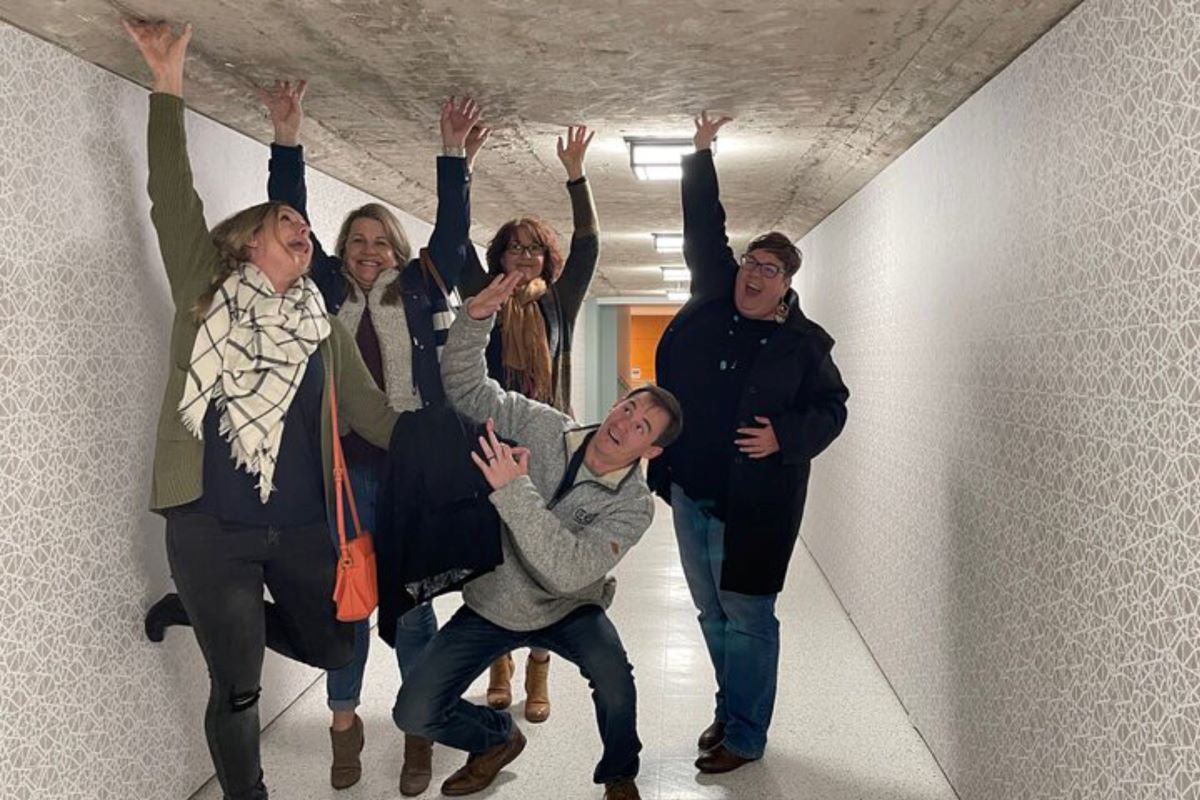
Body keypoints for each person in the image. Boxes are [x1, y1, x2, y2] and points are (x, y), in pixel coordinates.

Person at [124, 20, 400, 800]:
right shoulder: (203, 293)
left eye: (306, 225)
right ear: (249, 244)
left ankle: (203, 616)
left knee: (337, 647)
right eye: (290, 224)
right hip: (211, 525)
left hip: (306, 525)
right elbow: (170, 193)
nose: (304, 230)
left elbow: (374, 417)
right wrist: (167, 83)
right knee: (238, 689)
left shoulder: (320, 324)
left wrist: (463, 443)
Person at [260, 79, 483, 794]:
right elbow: (285, 215)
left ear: (396, 248)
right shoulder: (319, 286)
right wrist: (287, 138)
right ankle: (344, 722)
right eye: (356, 241)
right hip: (342, 471)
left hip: (412, 466)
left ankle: (418, 727)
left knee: (413, 609)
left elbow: (452, 234)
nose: (366, 251)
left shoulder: (419, 288)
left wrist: (452, 156)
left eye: (378, 241)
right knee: (351, 599)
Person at [392, 271, 683, 800]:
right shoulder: (545, 425)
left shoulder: (635, 507)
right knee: (412, 709)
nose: (625, 422)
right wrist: (474, 321)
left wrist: (514, 490)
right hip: (496, 602)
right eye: (628, 407)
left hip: (570, 608)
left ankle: (620, 775)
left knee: (615, 682)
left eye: (643, 427)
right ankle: (496, 738)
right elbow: (468, 390)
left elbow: (569, 569)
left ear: (651, 452)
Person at [648, 111, 850, 774]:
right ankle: (730, 708)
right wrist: (700, 151)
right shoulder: (713, 296)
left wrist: (785, 438)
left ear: (787, 283)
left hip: (757, 502)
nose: (753, 274)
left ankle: (747, 735)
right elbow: (702, 226)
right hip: (691, 493)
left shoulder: (803, 346)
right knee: (710, 613)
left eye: (770, 268)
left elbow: (833, 407)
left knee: (750, 615)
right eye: (750, 263)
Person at [460, 124, 599, 723]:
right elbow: (452, 240)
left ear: (547, 257)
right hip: (491, 443)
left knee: (540, 552)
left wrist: (576, 175)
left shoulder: (556, 304)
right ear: (499, 256)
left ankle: (538, 668)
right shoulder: (481, 294)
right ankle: (500, 663)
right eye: (513, 247)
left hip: (546, 443)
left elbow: (590, 245)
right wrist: (461, 164)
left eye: (533, 248)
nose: (523, 256)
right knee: (494, 553)